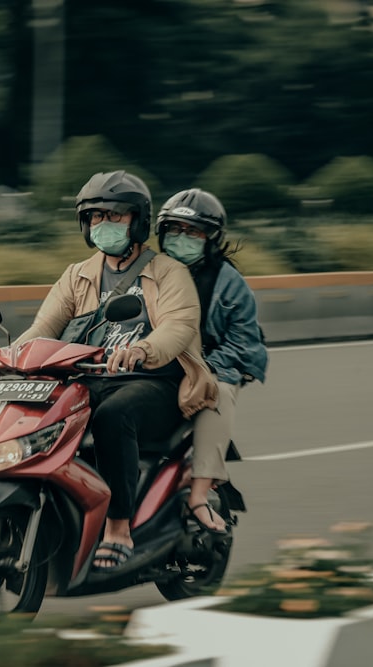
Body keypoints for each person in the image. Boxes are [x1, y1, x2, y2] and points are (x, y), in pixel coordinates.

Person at [0, 171, 218, 572]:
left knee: (112, 417)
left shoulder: (170, 272)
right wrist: (1, 354)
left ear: (137, 221)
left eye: (114, 216)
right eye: (96, 217)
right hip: (90, 378)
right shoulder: (77, 274)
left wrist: (142, 349)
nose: (103, 225)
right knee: (41, 417)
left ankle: (119, 527)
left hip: (155, 381)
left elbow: (178, 327)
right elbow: (42, 330)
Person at [155, 188, 268, 533]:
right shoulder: (145, 272)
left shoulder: (229, 284)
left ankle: (199, 497)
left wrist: (202, 369)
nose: (182, 238)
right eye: (174, 229)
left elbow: (244, 343)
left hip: (210, 368)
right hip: (153, 366)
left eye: (193, 232)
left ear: (211, 238)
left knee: (216, 392)